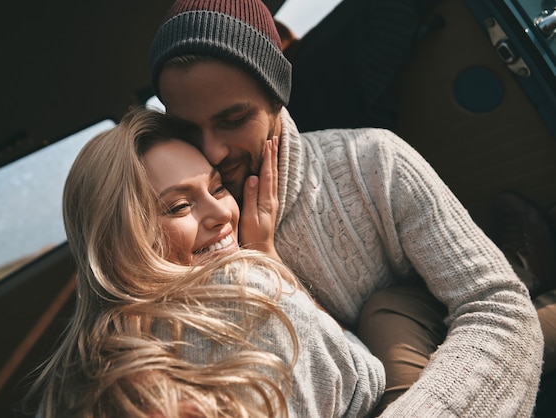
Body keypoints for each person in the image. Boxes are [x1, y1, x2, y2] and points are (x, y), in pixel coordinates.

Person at [148, 0, 544, 416]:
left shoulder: (374, 162)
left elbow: (496, 305)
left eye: (233, 119)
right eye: (188, 128)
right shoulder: (185, 239)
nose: (212, 150)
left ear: (276, 94)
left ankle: (528, 269)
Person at [23, 107, 385, 417]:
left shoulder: (70, 377)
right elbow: (364, 378)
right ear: (119, 240)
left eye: (218, 188)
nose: (221, 215)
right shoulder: (248, 298)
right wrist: (267, 264)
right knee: (391, 308)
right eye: (179, 206)